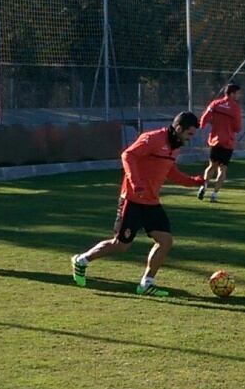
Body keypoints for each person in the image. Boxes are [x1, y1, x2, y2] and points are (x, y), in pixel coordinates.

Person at [71, 112, 205, 297]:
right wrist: (136, 182)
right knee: (121, 245)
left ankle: (146, 283)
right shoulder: (152, 138)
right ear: (179, 129)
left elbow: (170, 172)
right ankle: (82, 260)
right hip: (132, 200)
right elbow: (127, 155)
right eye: (189, 134)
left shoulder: (175, 148)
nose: (190, 139)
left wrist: (193, 181)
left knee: (165, 241)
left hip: (151, 203)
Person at [197, 83, 243, 203]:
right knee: (222, 169)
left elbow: (205, 116)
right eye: (237, 93)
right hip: (228, 142)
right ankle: (214, 195)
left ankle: (203, 186)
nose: (239, 96)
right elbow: (237, 127)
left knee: (211, 165)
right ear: (232, 94)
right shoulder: (235, 107)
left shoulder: (216, 104)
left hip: (215, 140)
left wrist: (202, 126)